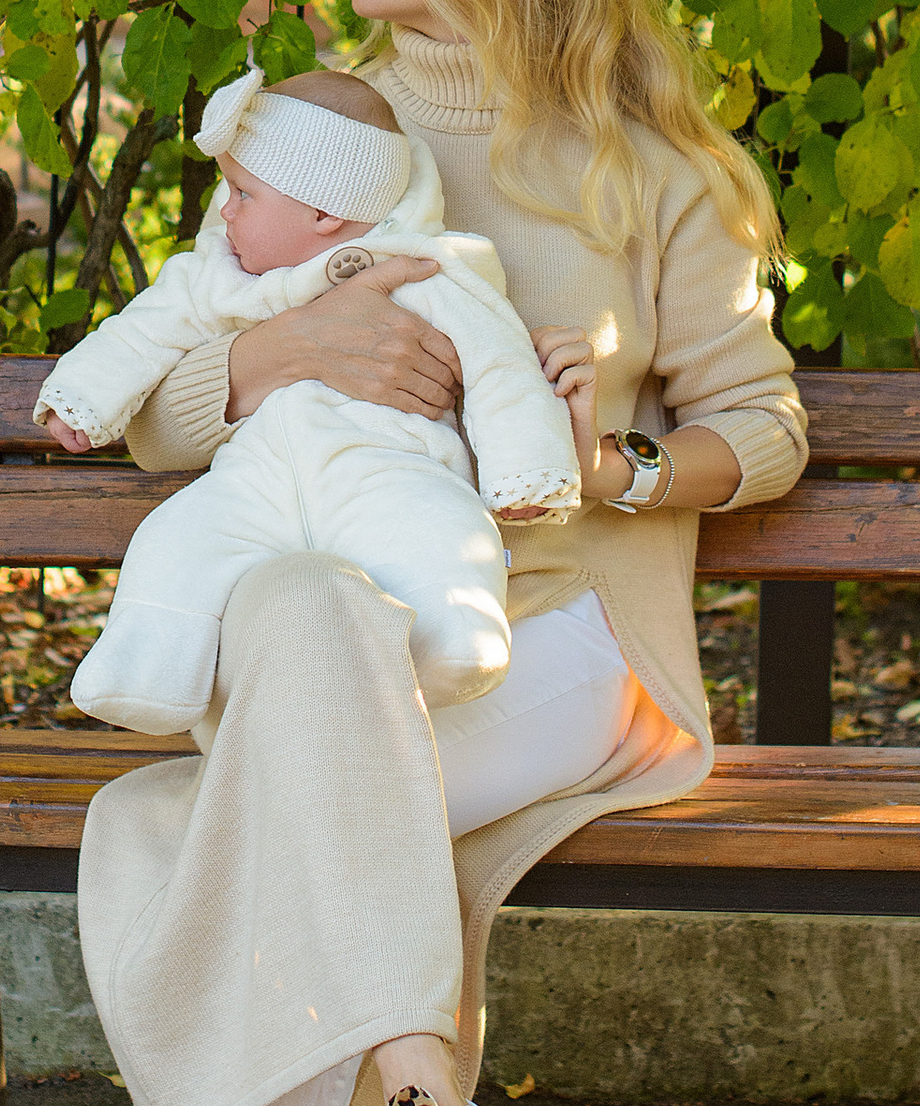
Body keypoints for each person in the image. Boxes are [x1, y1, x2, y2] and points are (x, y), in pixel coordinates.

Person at [74, 0, 807, 1106]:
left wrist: (617, 469)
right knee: (318, 633)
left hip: (556, 665)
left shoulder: (647, 173)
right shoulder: (322, 136)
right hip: (344, 650)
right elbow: (168, 403)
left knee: (258, 808)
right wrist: (278, 354)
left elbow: (763, 431)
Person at [34, 62, 582, 736]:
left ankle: (454, 642)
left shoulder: (424, 271)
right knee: (175, 539)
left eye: (241, 193)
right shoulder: (218, 276)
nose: (223, 210)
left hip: (389, 470)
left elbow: (500, 363)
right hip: (254, 482)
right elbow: (145, 328)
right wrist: (83, 399)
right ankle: (147, 669)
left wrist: (523, 472)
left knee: (440, 529)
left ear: (323, 213)